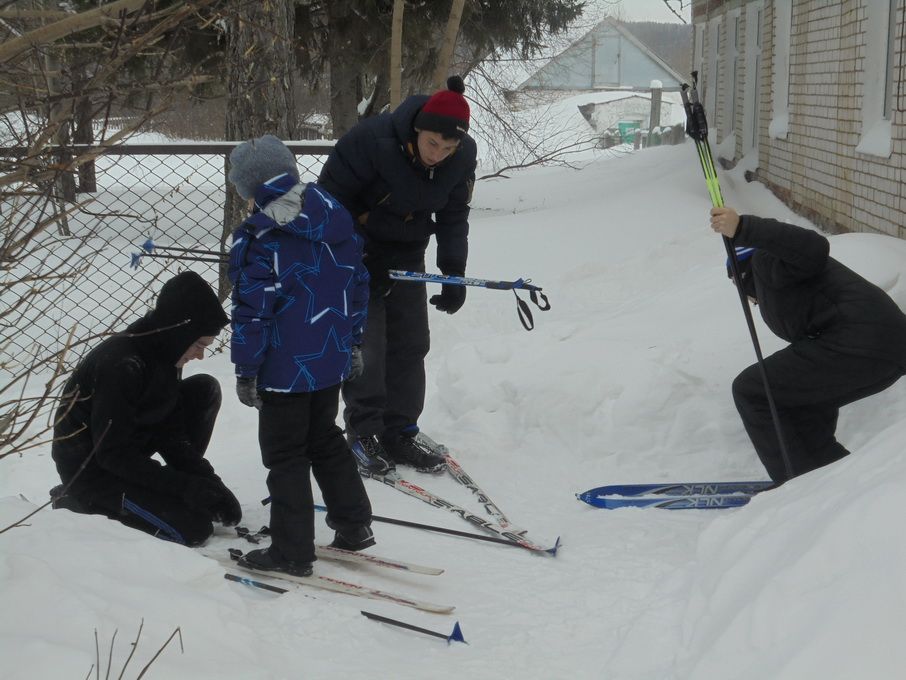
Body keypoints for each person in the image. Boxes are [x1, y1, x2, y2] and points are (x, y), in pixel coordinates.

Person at [227, 134, 373, 577]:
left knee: (286, 455)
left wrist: (246, 369)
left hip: (282, 369)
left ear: (247, 187)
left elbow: (252, 310)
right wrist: (354, 343)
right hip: (328, 358)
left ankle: (291, 551)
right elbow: (358, 286)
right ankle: (354, 524)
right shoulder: (336, 219)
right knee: (324, 437)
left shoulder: (260, 237)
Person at [318, 75, 478, 475]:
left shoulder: (462, 156)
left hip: (408, 252)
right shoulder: (371, 141)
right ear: (418, 128)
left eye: (448, 147)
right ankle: (364, 432)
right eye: (432, 143)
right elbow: (330, 203)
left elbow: (454, 214)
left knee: (411, 343)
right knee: (368, 345)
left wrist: (453, 272)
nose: (438, 154)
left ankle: (400, 430)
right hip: (356, 254)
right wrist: (359, 256)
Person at [710, 206, 906, 483]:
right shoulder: (781, 283)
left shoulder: (766, 263)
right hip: (879, 347)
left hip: (859, 341)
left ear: (741, 275)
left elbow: (812, 247)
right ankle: (832, 485)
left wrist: (743, 229)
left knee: (753, 390)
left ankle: (794, 489)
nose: (748, 300)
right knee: (803, 410)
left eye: (737, 286)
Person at [50, 270, 240, 546]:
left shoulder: (166, 356)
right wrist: (184, 487)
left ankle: (154, 490)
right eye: (199, 344)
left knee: (203, 389)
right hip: (91, 471)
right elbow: (113, 454)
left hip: (126, 453)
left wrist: (209, 482)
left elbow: (171, 433)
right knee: (193, 529)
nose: (201, 354)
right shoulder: (122, 364)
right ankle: (76, 500)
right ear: (179, 331)